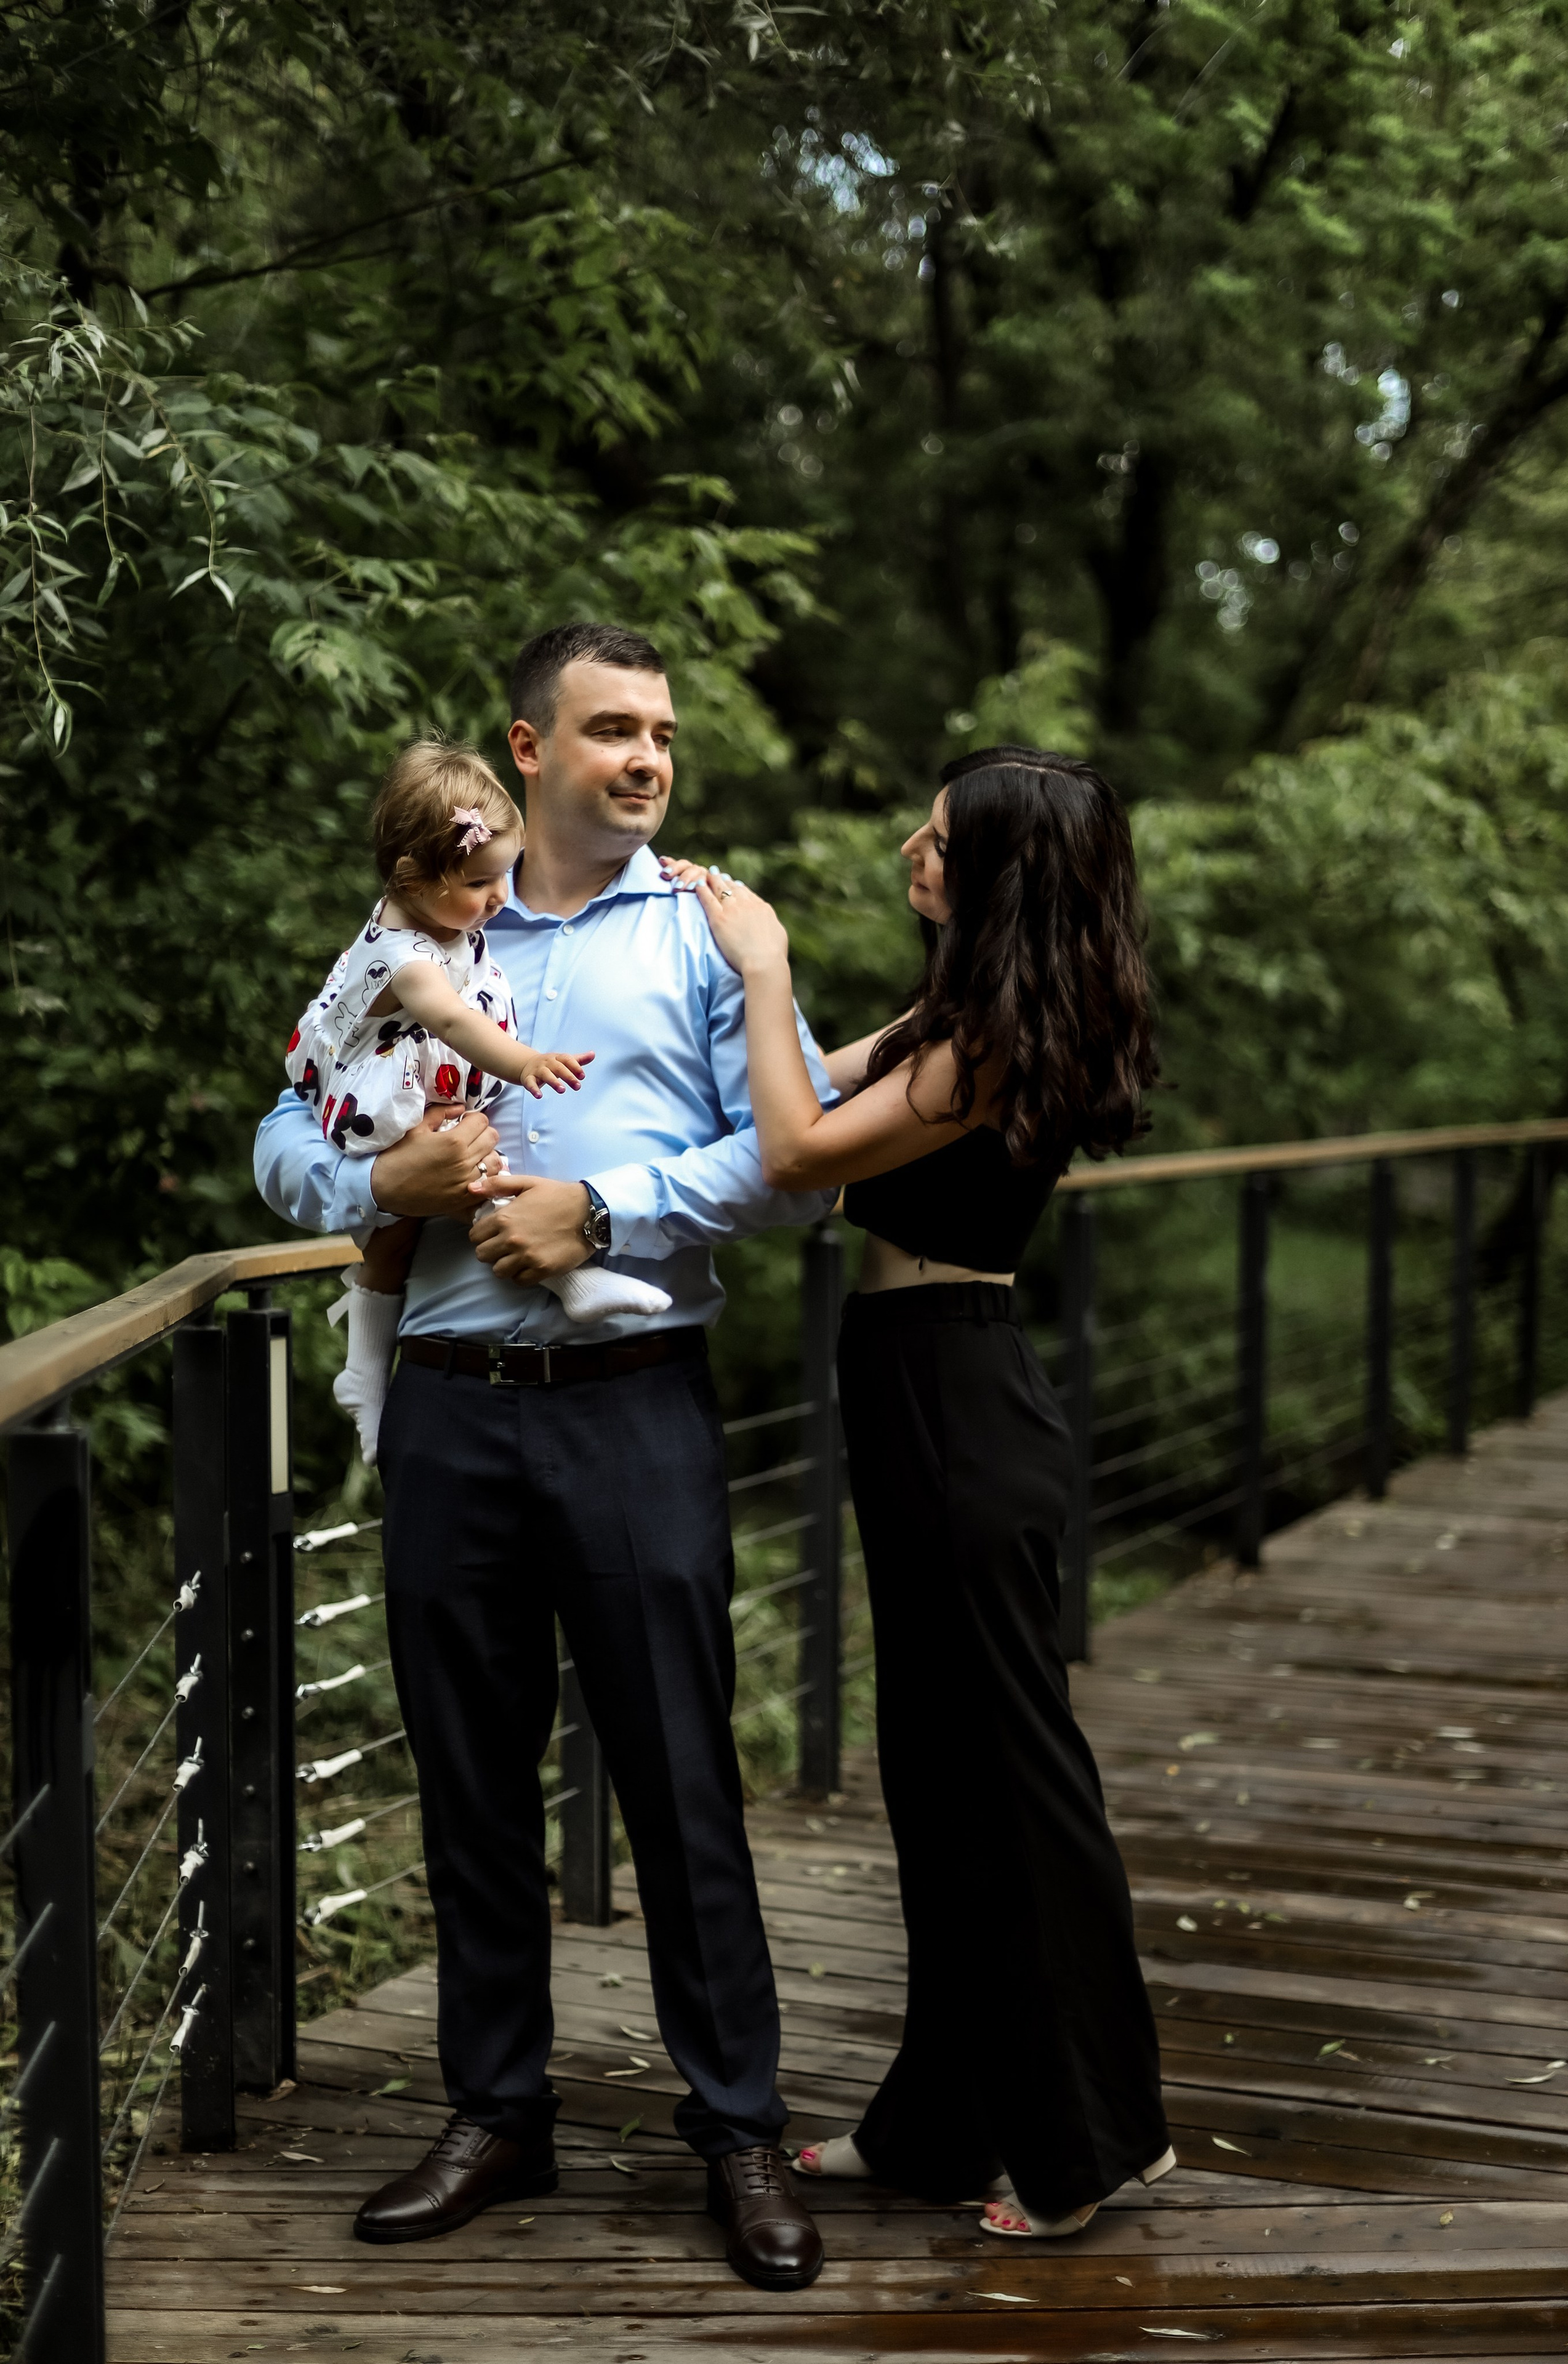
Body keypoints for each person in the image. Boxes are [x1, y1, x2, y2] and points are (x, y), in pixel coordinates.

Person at [255, 622, 832, 2292]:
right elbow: (287, 1119)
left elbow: (795, 1165)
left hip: (633, 1397)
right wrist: (374, 1189)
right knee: (470, 1775)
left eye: (662, 733)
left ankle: (738, 2126)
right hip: (447, 1408)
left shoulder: (709, 930)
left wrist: (609, 1208)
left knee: (681, 1775)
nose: (646, 758)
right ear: (528, 749)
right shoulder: (422, 918)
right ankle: (499, 2111)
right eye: (611, 729)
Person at [666, 744, 1174, 2240]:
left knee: (1008, 1782)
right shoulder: (954, 1015)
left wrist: (765, 958)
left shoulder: (998, 1041)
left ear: (1002, 875)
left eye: (941, 841)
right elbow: (799, 1091)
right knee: (938, 1774)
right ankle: (944, 2123)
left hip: (955, 1399)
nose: (911, 848)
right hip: (915, 1388)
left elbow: (797, 1151)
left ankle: (1090, 2141)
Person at [287, 735, 669, 1463]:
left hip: (404, 1068)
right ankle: (569, 1279)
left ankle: (363, 1372)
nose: (499, 896)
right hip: (379, 1090)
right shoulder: (406, 956)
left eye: (506, 875)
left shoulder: (433, 914)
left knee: (397, 1235)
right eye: (480, 881)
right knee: (464, 1165)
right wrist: (527, 1063)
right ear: (413, 877)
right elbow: (455, 1021)